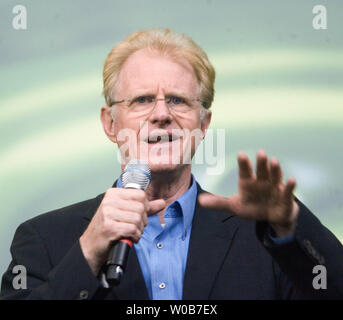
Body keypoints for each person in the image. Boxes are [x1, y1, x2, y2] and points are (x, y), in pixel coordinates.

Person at [1, 28, 342, 300]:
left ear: (203, 123)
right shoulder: (44, 238)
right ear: (110, 124)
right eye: (142, 100)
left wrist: (292, 226)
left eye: (178, 100)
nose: (162, 114)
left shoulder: (265, 239)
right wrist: (89, 251)